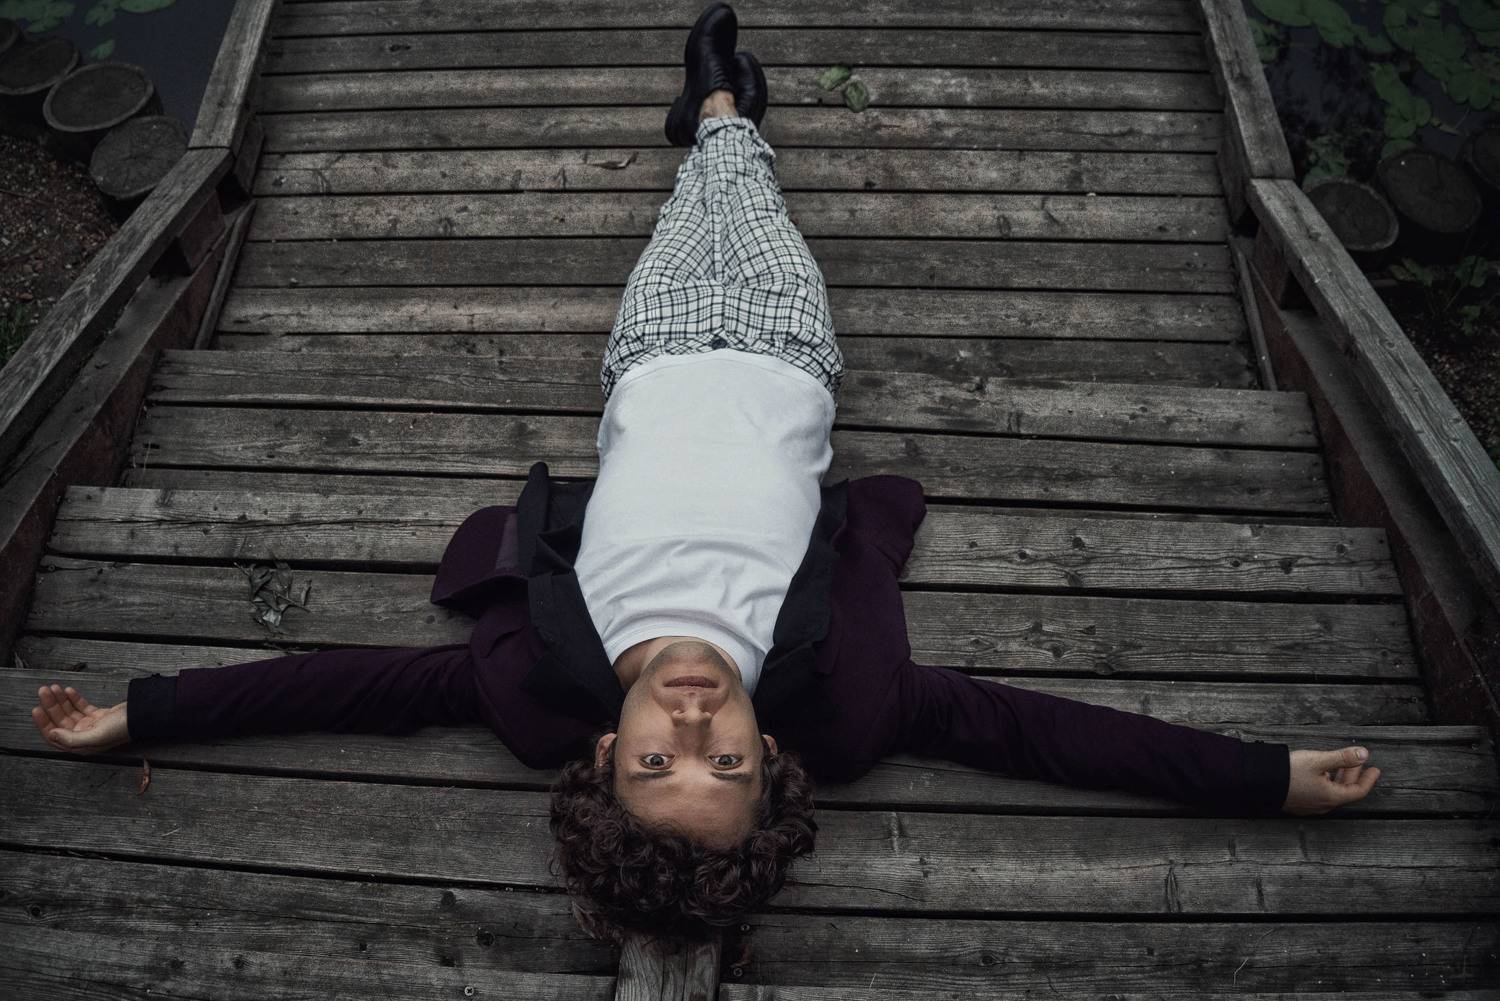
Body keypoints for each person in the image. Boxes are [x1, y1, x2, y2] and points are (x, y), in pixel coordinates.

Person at [29, 2, 1381, 946]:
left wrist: (142, 714)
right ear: (770, 756)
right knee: (754, 206)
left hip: (656, 352)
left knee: (695, 210)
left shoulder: (531, 679)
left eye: (658, 756)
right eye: (722, 758)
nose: (691, 719)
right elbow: (1046, 735)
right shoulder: (848, 701)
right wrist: (1265, 778)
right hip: (789, 351)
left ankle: (717, 109)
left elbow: (334, 688)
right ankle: (724, 111)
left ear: (603, 754)